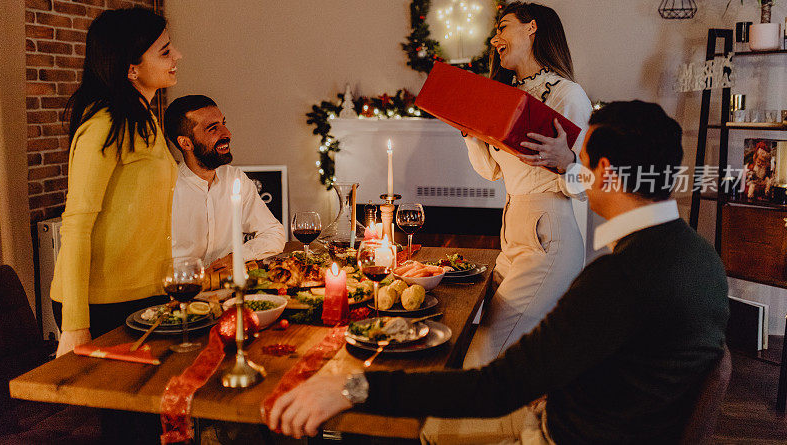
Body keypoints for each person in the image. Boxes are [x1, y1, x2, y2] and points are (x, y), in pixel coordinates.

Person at [265, 101, 730, 445]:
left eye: (581, 161)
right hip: (600, 417)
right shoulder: (699, 256)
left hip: (562, 436)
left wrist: (355, 386)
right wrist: (555, 386)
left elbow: (495, 388)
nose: (576, 171)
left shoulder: (622, 276)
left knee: (416, 431)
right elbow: (640, 365)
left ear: (606, 172)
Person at [462, 1, 594, 366]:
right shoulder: (505, 98)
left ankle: (465, 421)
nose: (494, 39)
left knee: (486, 355)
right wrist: (470, 134)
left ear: (532, 28)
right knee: (483, 341)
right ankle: (525, 420)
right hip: (511, 230)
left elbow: (588, 182)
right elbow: (492, 170)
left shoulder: (569, 95)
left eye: (503, 27)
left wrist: (567, 160)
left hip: (549, 234)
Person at [50, 7, 180, 358]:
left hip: (146, 293)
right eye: (165, 51)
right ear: (131, 68)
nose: (177, 56)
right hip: (100, 303)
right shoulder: (104, 125)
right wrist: (76, 324)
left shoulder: (146, 120)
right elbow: (76, 226)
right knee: (126, 409)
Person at [164, 94, 285, 279]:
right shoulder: (166, 190)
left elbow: (274, 233)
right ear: (185, 142)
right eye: (213, 128)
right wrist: (198, 277)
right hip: (183, 295)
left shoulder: (235, 179)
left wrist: (235, 258)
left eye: (223, 123)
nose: (227, 133)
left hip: (230, 290)